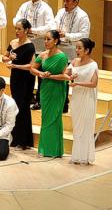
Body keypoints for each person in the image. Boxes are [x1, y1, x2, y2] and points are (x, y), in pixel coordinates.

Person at [13, 0, 56, 110]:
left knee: (39, 73)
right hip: (25, 45)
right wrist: (23, 27)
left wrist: (33, 30)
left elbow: (50, 26)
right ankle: (28, 96)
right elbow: (15, 19)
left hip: (39, 46)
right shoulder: (24, 6)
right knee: (27, 73)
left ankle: (40, 99)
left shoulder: (46, 8)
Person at [30, 30, 68, 158]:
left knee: (54, 118)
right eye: (44, 39)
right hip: (45, 88)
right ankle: (45, 149)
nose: (45, 42)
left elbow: (65, 76)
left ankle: (54, 150)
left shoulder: (62, 57)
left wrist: (50, 76)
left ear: (56, 41)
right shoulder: (43, 54)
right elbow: (32, 68)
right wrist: (40, 73)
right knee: (45, 118)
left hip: (57, 89)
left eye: (48, 39)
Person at [3, 19, 36, 150]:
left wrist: (14, 65)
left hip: (26, 79)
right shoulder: (12, 42)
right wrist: (9, 58)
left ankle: (24, 140)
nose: (16, 31)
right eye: (16, 29)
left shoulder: (30, 46)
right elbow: (4, 57)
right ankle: (16, 138)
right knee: (16, 106)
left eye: (19, 29)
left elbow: (31, 66)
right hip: (15, 77)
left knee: (23, 107)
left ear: (26, 30)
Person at [66, 38, 98, 165]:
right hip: (76, 98)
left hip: (88, 98)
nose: (77, 50)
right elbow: (66, 73)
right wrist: (70, 77)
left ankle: (85, 157)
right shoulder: (74, 62)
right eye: (76, 48)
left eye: (80, 48)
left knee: (86, 126)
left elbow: (93, 83)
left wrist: (77, 83)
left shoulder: (93, 65)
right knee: (77, 126)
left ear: (87, 50)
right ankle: (76, 156)